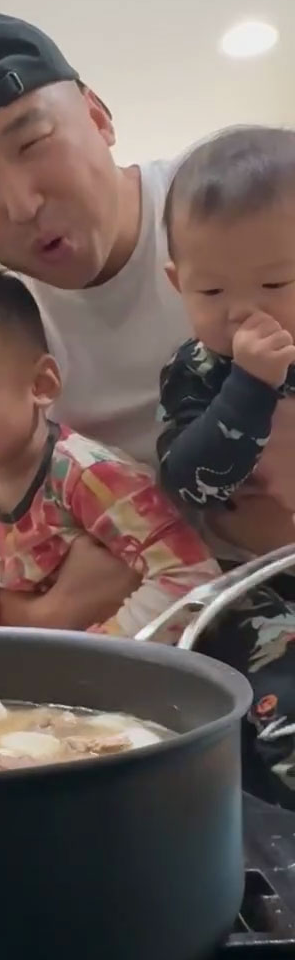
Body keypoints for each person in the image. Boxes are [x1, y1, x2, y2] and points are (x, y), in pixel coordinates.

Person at [0, 8, 190, 629]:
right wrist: (57, 612)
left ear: (98, 115)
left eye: (33, 143)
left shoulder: (229, 214)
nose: (21, 203)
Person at [0, 263, 219, 637]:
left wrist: (93, 652)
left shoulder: (88, 475)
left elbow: (189, 576)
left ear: (41, 384)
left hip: (122, 677)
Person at [156, 126, 295, 804]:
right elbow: (190, 480)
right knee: (265, 706)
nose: (243, 310)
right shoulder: (200, 370)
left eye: (275, 282)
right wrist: (251, 387)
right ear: (176, 283)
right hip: (251, 591)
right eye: (210, 293)